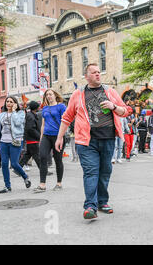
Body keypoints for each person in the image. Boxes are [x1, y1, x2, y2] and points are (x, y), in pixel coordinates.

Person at [54, 63, 132, 220]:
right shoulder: (78, 94)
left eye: (99, 72)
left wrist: (114, 106)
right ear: (86, 76)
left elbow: (126, 111)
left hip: (108, 139)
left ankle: (102, 201)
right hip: (86, 141)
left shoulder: (110, 91)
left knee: (105, 172)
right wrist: (59, 137)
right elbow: (67, 117)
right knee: (91, 172)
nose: (98, 74)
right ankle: (90, 206)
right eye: (94, 72)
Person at [0, 97, 31, 193]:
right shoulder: (1, 115)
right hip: (3, 142)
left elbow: (17, 123)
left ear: (15, 104)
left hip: (15, 141)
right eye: (7, 102)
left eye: (11, 102)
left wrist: (13, 111)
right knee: (4, 164)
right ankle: (7, 186)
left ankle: (25, 176)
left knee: (14, 164)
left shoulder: (20, 113)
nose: (8, 103)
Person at [33, 89, 66, 193]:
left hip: (58, 136)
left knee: (58, 159)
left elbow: (64, 122)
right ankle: (42, 184)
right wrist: (41, 138)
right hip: (46, 136)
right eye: (47, 95)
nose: (49, 96)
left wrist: (61, 136)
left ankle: (59, 183)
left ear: (55, 95)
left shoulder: (61, 107)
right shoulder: (45, 108)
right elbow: (43, 124)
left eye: (50, 94)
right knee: (42, 157)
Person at [19, 101, 42, 171]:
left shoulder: (31, 114)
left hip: (31, 139)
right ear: (35, 108)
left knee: (27, 155)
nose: (39, 107)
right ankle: (44, 170)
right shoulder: (30, 116)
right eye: (38, 106)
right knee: (37, 156)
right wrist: (39, 136)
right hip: (32, 139)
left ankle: (18, 169)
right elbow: (31, 129)